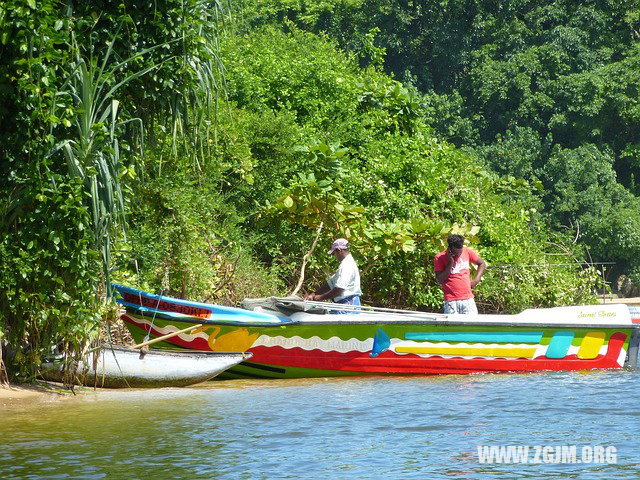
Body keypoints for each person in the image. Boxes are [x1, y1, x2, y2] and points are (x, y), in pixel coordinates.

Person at [434, 234, 486, 314]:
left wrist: (476, 280)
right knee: (452, 326)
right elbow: (440, 280)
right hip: (451, 301)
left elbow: (482, 263)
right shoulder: (439, 257)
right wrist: (450, 262)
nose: (459, 254)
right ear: (450, 248)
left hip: (468, 299)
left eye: (460, 250)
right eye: (457, 251)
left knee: (472, 325)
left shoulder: (467, 251)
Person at [304, 238, 362, 309]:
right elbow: (331, 283)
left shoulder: (347, 266)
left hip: (348, 304)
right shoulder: (345, 263)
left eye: (334, 253)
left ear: (339, 251)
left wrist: (320, 298)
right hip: (344, 303)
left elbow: (339, 290)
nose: (334, 256)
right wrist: (315, 294)